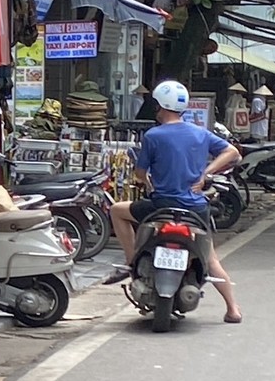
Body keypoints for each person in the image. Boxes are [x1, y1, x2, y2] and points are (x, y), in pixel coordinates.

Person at [105, 80, 245, 323]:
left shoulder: (153, 135)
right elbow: (233, 152)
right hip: (195, 209)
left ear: (160, 106)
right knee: (210, 259)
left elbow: (140, 173)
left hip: (160, 207)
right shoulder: (200, 133)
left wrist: (148, 182)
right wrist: (206, 174)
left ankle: (130, 262)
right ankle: (233, 309)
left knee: (117, 211)